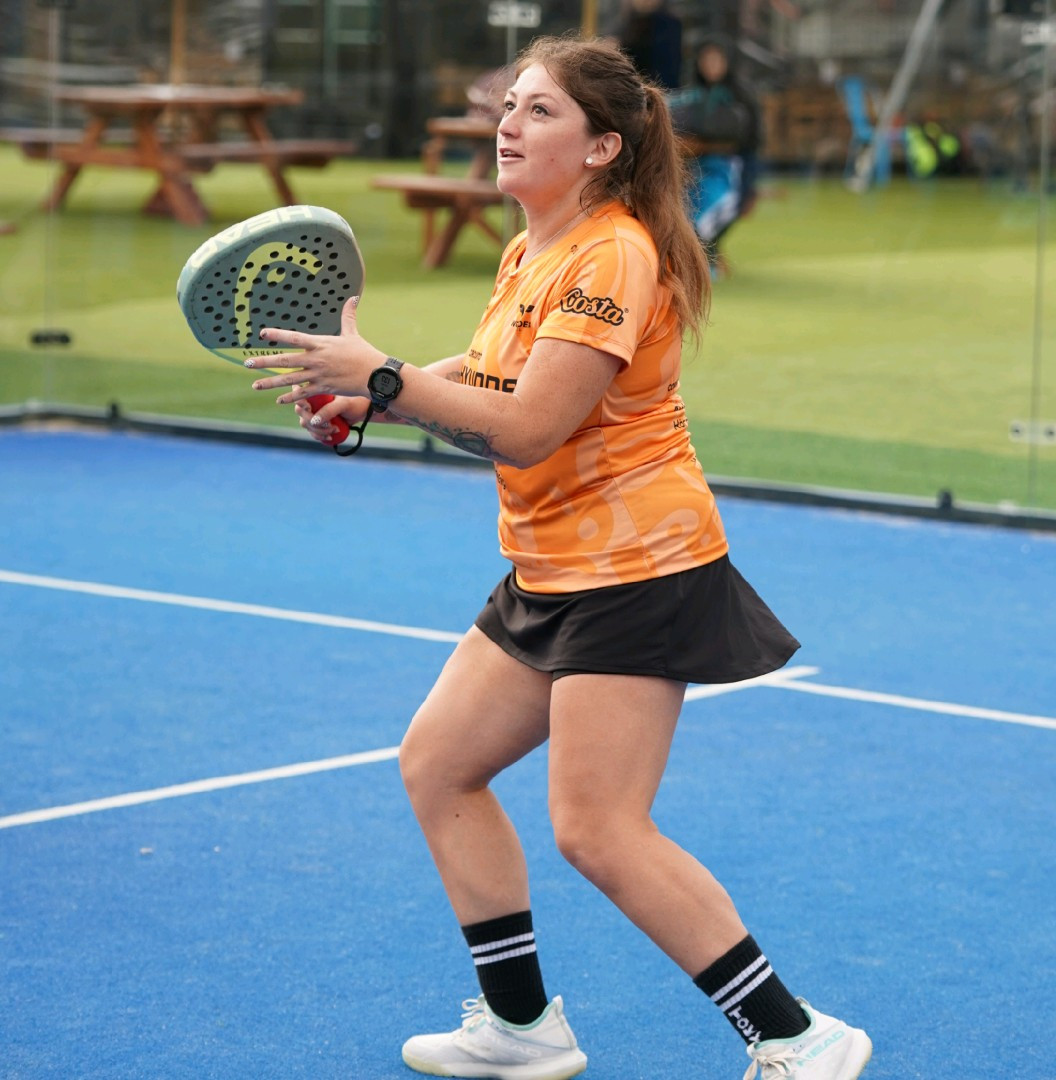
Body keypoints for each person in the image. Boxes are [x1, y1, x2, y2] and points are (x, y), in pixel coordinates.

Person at [245, 34, 872, 1080]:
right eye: (510, 104)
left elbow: (532, 426)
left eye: (540, 111)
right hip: (554, 565)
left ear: (601, 147)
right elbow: (494, 377)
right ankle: (521, 1028)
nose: (509, 123)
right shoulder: (534, 248)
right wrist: (373, 397)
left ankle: (799, 1036)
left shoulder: (613, 253)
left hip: (639, 566)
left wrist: (387, 376)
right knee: (440, 765)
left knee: (598, 827)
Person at [669, 36, 763, 279]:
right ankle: (697, 261)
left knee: (716, 210)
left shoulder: (741, 98)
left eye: (716, 60)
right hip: (691, 169)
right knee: (684, 215)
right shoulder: (688, 96)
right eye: (706, 59)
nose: (711, 65)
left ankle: (705, 259)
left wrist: (750, 187)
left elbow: (751, 143)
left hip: (728, 169)